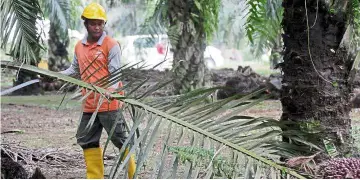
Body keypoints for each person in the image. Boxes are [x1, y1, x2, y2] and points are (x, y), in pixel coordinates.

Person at [60, 2, 136, 179]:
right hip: (89, 104)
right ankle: (95, 177)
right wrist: (56, 74)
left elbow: (116, 73)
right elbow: (74, 69)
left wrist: (110, 89)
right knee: (86, 139)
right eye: (92, 23)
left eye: (100, 23)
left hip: (109, 105)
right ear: (85, 24)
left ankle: (134, 175)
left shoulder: (111, 45)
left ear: (104, 24)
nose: (96, 27)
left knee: (120, 140)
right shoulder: (79, 46)